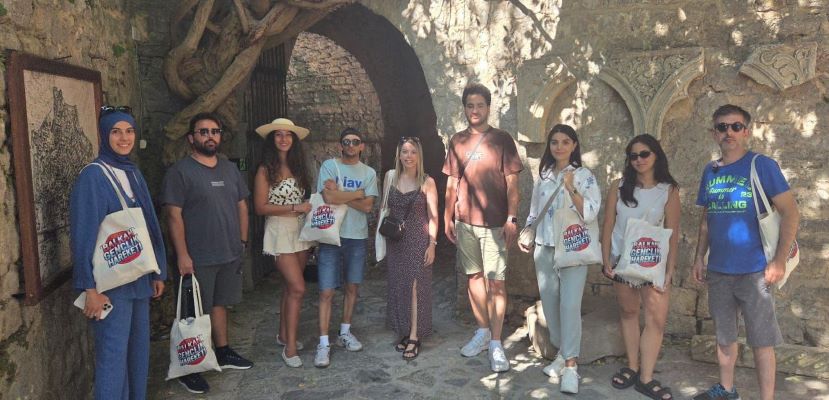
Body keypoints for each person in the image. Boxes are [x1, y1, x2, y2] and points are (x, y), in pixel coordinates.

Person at [691, 105, 799, 400]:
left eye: (736, 126)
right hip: (719, 269)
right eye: (722, 127)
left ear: (746, 131)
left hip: (755, 270)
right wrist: (699, 257)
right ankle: (727, 390)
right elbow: (706, 219)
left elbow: (791, 213)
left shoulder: (762, 165)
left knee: (762, 341)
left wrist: (779, 260)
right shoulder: (711, 171)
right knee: (724, 337)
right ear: (714, 133)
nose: (729, 132)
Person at [70, 107, 167, 399]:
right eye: (116, 132)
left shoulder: (132, 172)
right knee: (113, 360)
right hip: (110, 286)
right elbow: (83, 235)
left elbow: (150, 224)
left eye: (129, 131)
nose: (124, 138)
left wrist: (158, 271)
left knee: (138, 355)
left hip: (138, 277)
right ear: (104, 135)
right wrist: (89, 288)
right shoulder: (93, 176)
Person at [161, 112, 253, 394]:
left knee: (220, 304)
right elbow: (173, 215)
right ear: (191, 138)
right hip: (196, 257)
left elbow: (241, 206)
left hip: (229, 252)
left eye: (215, 131)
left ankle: (222, 351)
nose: (210, 136)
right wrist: (182, 255)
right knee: (193, 314)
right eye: (203, 132)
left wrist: (242, 241)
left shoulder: (229, 169)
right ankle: (190, 368)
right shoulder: (179, 172)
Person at [443, 83, 523, 373]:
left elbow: (512, 182)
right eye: (470, 105)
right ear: (464, 108)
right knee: (474, 277)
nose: (475, 110)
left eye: (479, 105)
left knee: (496, 282)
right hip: (465, 221)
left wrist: (512, 218)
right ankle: (483, 331)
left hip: (495, 224)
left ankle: (497, 343)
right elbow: (452, 183)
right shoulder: (458, 140)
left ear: (488, 107)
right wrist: (447, 217)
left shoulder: (502, 139)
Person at [518, 124, 601, 393]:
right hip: (544, 247)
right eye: (554, 142)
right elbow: (535, 209)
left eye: (565, 142)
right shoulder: (544, 174)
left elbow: (590, 212)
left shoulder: (584, 176)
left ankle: (571, 367)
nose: (559, 147)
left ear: (574, 145)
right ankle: (562, 354)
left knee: (570, 306)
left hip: (572, 249)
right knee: (551, 306)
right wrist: (528, 231)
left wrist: (571, 189)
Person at [601, 134, 680, 400]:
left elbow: (673, 232)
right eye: (633, 156)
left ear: (656, 155)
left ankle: (646, 377)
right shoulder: (619, 186)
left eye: (644, 154)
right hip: (622, 261)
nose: (639, 160)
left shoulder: (668, 190)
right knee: (628, 312)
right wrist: (605, 258)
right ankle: (633, 367)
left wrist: (669, 269)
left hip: (652, 262)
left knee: (655, 319)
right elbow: (608, 223)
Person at [313, 127, 379, 368]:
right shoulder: (329, 166)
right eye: (346, 141)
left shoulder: (369, 172)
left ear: (362, 146)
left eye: (355, 141)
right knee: (326, 291)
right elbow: (328, 198)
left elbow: (368, 207)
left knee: (352, 287)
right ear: (340, 145)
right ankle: (323, 343)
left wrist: (341, 192)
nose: (351, 145)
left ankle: (344, 332)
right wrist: (357, 193)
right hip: (331, 236)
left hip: (356, 237)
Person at [252, 118, 313, 368]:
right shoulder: (265, 170)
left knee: (289, 287)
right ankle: (290, 349)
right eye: (278, 135)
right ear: (272, 139)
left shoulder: (299, 167)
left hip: (300, 231)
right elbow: (260, 207)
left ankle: (283, 335)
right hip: (279, 231)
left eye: (288, 135)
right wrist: (295, 207)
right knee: (298, 288)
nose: (284, 139)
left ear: (294, 140)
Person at [382, 136, 439, 360]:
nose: (409, 156)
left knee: (416, 287)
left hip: (418, 239)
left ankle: (415, 335)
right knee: (399, 285)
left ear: (419, 155)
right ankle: (405, 330)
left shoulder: (427, 181)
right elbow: (385, 209)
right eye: (405, 151)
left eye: (413, 152)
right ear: (399, 155)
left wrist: (432, 244)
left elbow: (433, 217)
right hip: (396, 240)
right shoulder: (390, 178)